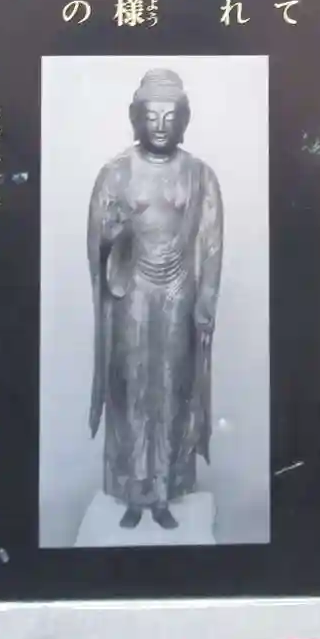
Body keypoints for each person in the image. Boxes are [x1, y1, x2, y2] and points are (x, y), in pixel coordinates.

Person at [84, 67, 224, 529]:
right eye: (151, 116)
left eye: (170, 116)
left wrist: (206, 300)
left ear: (184, 120)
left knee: (171, 387)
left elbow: (211, 243)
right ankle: (131, 490)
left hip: (179, 292)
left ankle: (164, 490)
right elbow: (98, 241)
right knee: (131, 387)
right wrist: (113, 233)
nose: (160, 125)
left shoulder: (199, 176)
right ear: (135, 118)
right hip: (131, 292)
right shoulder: (116, 174)